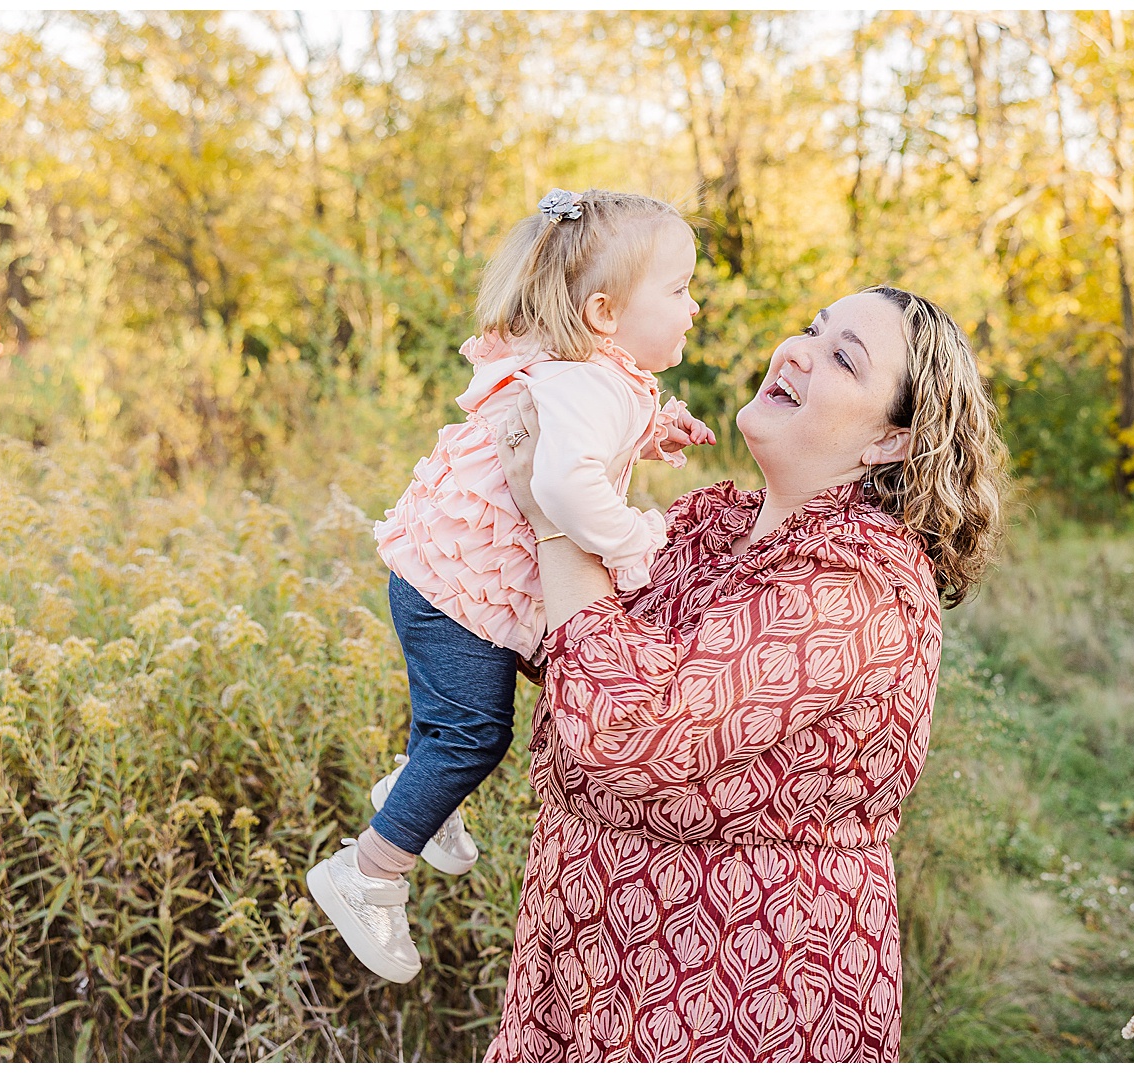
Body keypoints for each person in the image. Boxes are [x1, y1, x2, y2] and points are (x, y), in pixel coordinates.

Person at [484, 286, 1010, 1061]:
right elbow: (572, 653)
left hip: (739, 992)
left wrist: (556, 518)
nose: (796, 350)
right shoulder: (708, 526)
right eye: (809, 326)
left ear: (890, 442)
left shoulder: (855, 588)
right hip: (580, 973)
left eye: (842, 358)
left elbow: (631, 730)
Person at [306, 189, 716, 983]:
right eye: (679, 289)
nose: (692, 307)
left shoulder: (588, 370)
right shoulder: (590, 384)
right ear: (604, 311)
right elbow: (563, 487)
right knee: (474, 734)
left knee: (460, 727)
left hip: (443, 580)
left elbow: (586, 439)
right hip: (457, 599)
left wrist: (651, 430)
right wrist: (635, 537)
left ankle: (418, 787)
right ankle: (370, 871)